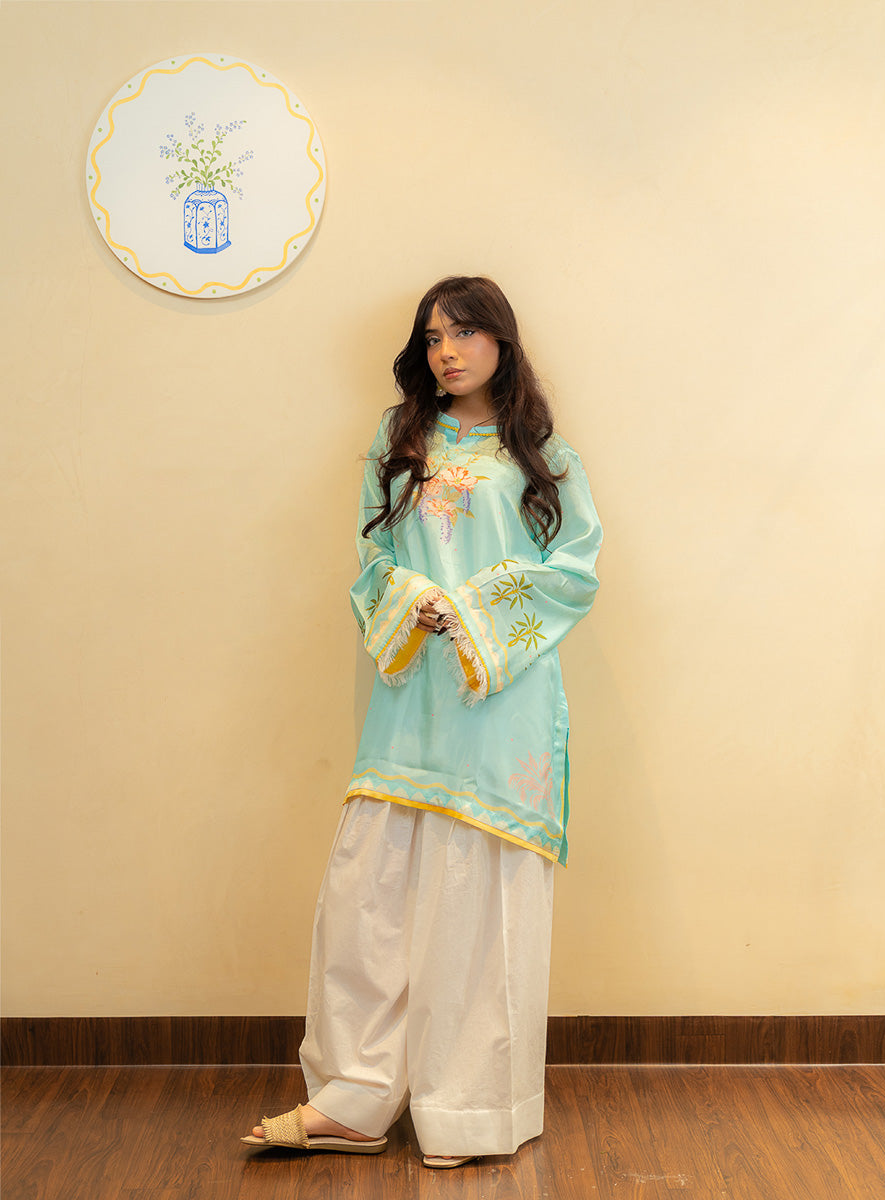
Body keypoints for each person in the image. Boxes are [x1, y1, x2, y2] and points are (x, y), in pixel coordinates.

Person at [241, 276, 602, 1168]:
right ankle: (355, 1101)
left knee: (481, 910)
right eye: (433, 337)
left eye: (464, 333)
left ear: (501, 343)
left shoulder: (542, 454)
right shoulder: (398, 439)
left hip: (503, 701)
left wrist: (472, 611)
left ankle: (467, 1113)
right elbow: (372, 553)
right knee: (371, 899)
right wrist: (412, 598)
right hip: (412, 694)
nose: (446, 352)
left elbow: (573, 570)